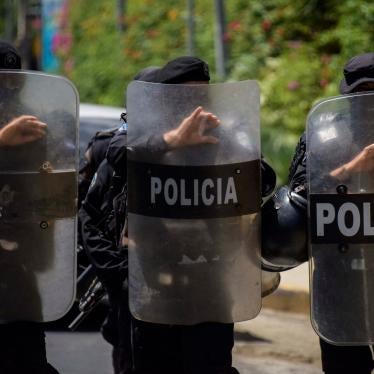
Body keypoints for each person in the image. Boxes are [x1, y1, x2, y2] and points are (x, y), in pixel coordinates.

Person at [80, 56, 276, 374]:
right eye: (185, 97)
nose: (195, 105)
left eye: (203, 96)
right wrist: (119, 276)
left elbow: (264, 179)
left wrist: (227, 146)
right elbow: (111, 165)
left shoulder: (224, 138)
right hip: (150, 287)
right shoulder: (137, 139)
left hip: (208, 286)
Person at [262, 52, 374, 374]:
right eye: (361, 93)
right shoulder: (325, 135)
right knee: (345, 367)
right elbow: (301, 192)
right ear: (348, 95)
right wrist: (354, 168)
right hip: (340, 273)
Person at [0, 41, 59, 374]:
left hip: (19, 276)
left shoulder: (32, 130)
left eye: (14, 82)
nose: (9, 91)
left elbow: (43, 199)